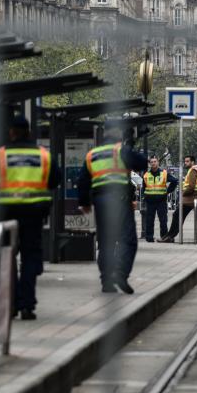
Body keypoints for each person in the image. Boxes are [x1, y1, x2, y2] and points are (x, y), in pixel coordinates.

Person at [0, 115, 61, 320]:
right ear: (29, 131)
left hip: (6, 213)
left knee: (6, 257)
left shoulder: (1, 155)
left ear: (11, 132)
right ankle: (27, 305)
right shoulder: (43, 155)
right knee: (30, 257)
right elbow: (55, 180)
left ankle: (11, 303)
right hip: (33, 213)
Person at [77, 126, 148, 294]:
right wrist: (130, 147)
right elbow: (142, 162)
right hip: (119, 200)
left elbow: (82, 180)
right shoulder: (120, 150)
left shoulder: (92, 155)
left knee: (105, 242)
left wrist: (84, 203)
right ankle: (121, 274)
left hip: (100, 201)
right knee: (128, 239)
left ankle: (106, 282)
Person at [160, 155, 197, 242]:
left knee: (177, 215)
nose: (186, 163)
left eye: (187, 161)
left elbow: (191, 186)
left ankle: (170, 236)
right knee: (178, 216)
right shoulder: (194, 170)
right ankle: (170, 236)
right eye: (185, 161)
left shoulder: (193, 171)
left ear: (192, 162)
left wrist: (183, 193)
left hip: (189, 199)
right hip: (191, 198)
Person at [140, 156, 176, 242]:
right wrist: (144, 196)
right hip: (150, 201)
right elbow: (144, 187)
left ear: (158, 162)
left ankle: (164, 237)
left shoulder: (164, 173)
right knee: (149, 220)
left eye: (155, 161)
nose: (153, 163)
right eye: (151, 162)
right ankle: (149, 238)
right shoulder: (146, 175)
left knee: (163, 220)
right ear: (150, 164)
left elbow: (174, 181)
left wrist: (167, 191)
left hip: (161, 201)